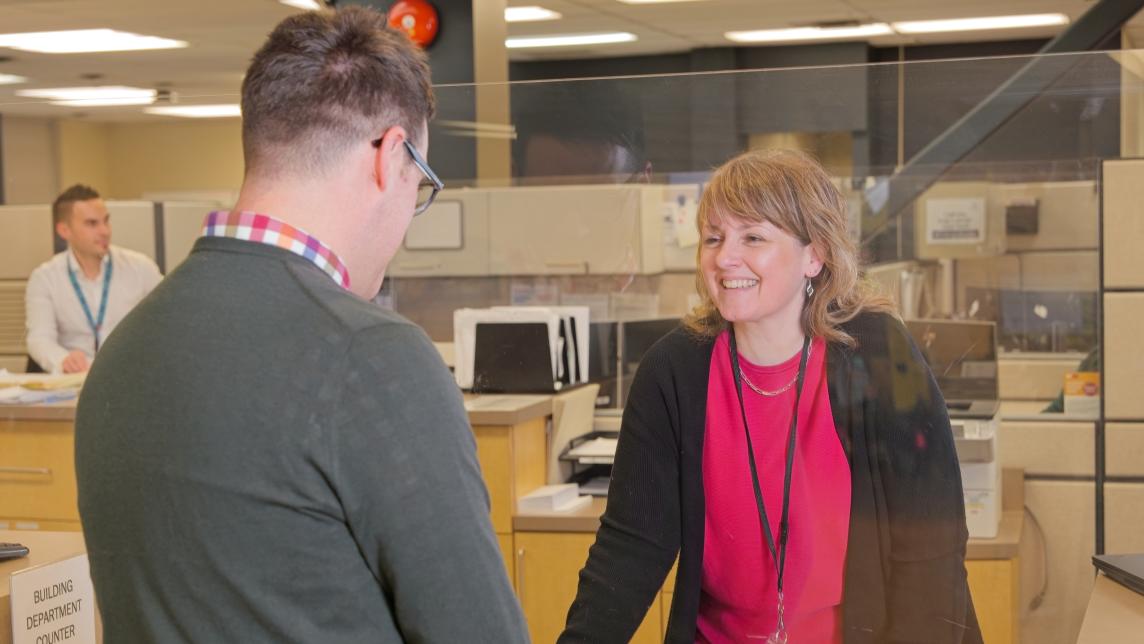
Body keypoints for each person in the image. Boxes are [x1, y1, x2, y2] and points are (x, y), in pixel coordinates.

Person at [75, 8, 528, 643]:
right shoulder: (370, 355)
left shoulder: (126, 349)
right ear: (389, 154)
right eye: (418, 184)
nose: (408, 215)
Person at [560, 149, 982, 643]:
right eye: (714, 238)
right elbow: (630, 549)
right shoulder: (672, 372)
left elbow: (929, 548)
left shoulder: (881, 352)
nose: (724, 257)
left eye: (753, 237)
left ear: (814, 254)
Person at [24, 184, 162, 373]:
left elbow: (167, 322)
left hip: (130, 376)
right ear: (64, 230)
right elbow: (39, 339)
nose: (105, 231)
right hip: (77, 381)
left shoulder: (141, 268)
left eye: (106, 221)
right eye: (92, 223)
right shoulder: (45, 278)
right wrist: (64, 359)